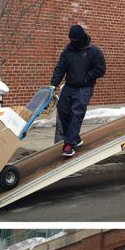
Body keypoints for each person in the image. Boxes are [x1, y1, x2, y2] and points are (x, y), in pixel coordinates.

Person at [51, 24, 106, 157]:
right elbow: (60, 68)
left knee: (76, 113)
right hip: (69, 86)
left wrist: (86, 78)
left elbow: (101, 69)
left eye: (76, 40)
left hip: (84, 88)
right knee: (63, 111)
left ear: (82, 37)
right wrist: (53, 85)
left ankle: (69, 144)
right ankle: (75, 137)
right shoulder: (67, 52)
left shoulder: (94, 51)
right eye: (72, 40)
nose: (74, 42)